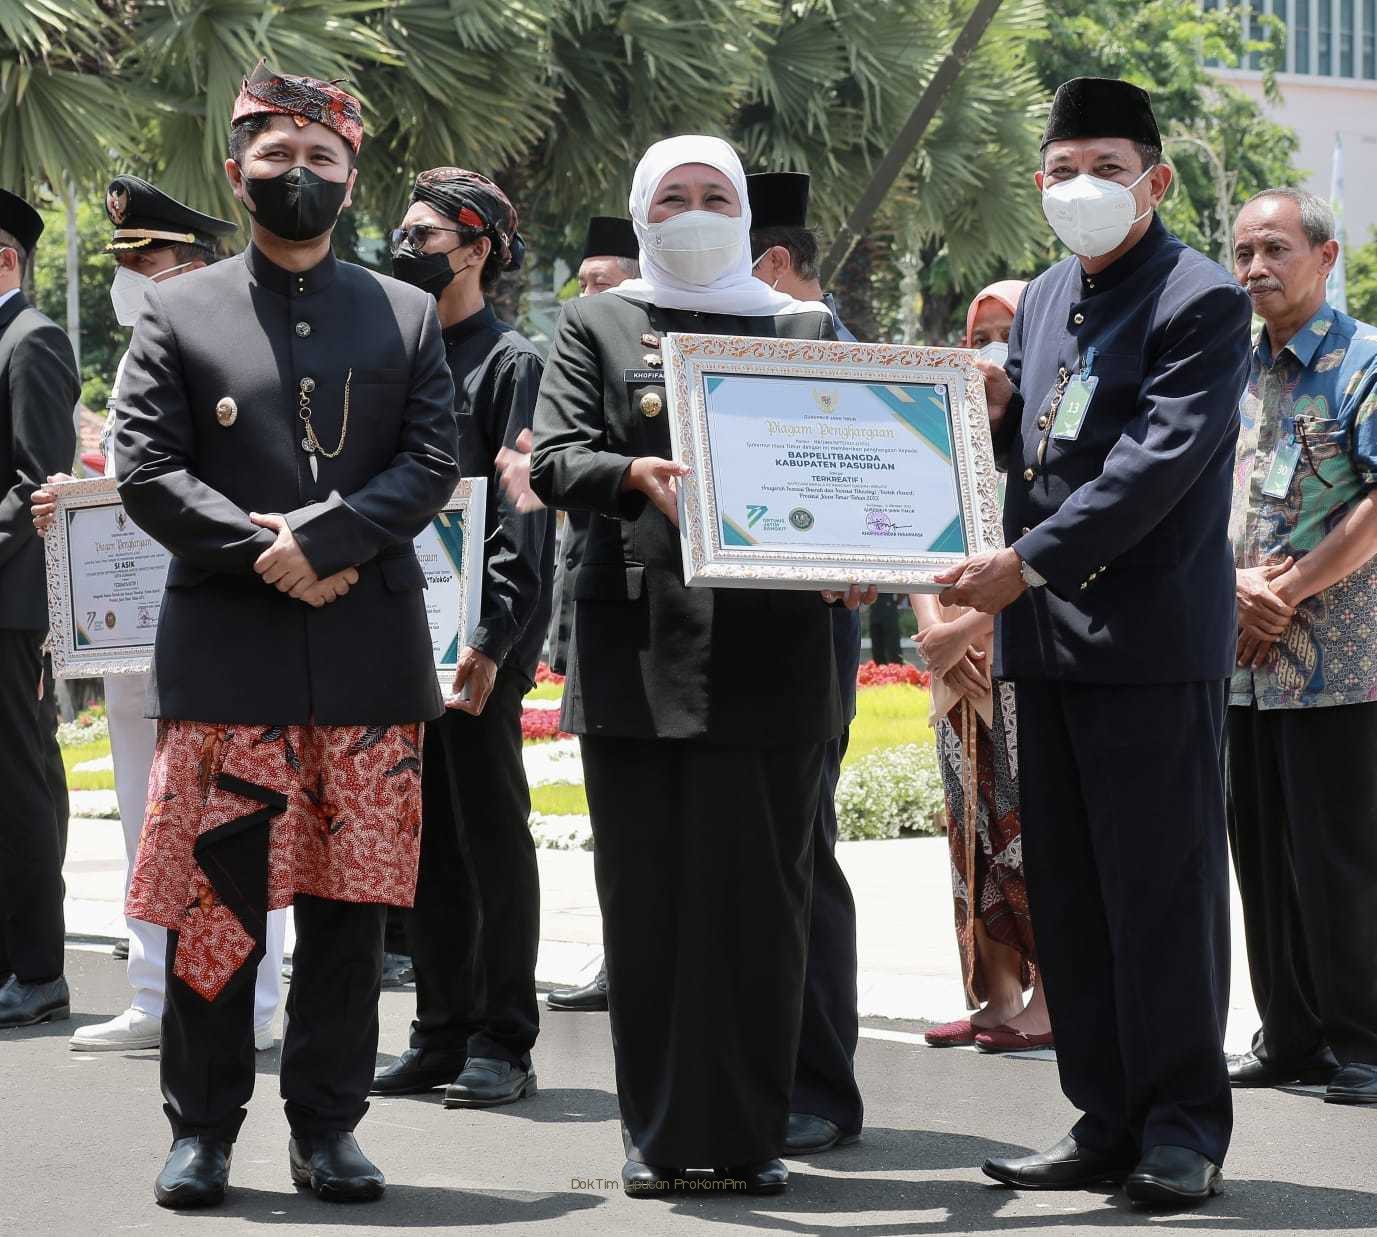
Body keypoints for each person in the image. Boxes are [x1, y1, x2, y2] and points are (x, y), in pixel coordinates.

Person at [112, 61, 458, 1208]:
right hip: (229, 661)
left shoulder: (405, 312)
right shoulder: (175, 308)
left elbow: (431, 461)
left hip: (366, 661)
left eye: (321, 159)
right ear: (236, 170)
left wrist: (335, 539)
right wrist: (272, 551)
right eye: (276, 156)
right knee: (216, 912)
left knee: (352, 918)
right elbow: (148, 471)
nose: (297, 174)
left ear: (350, 177)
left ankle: (329, 1129)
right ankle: (201, 1130)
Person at [937, 78, 1252, 1207]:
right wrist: (972, 405)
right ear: (1040, 184)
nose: (1083, 189)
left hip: (1149, 638)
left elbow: (1152, 468)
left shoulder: (1201, 300)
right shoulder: (1047, 294)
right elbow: (1034, 431)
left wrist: (1020, 565)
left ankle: (1182, 1127)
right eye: (1064, 170)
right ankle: (1104, 1116)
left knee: (1159, 893)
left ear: (1155, 181)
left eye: (1107, 169)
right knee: (1068, 890)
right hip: (1050, 642)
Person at [529, 135, 839, 1198]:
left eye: (716, 195)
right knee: (651, 907)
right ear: (641, 212)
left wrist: (874, 556)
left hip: (775, 653)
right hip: (640, 651)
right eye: (675, 197)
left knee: (762, 905)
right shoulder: (598, 321)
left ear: (749, 213)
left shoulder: (802, 325)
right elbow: (555, 455)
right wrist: (634, 471)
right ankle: (660, 1135)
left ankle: (752, 1136)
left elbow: (862, 462)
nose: (697, 211)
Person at [32, 174, 289, 1055]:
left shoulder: (245, 348)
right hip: (131, 626)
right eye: (128, 261)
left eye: (153, 258)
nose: (135, 276)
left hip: (225, 613)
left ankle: (254, 1001)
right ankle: (152, 990)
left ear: (201, 265)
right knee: (148, 811)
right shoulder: (140, 357)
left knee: (239, 813)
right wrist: (76, 501)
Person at [371, 168, 551, 1108]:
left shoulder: (510, 363)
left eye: (427, 235)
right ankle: (438, 1030)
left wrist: (491, 639)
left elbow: (522, 517)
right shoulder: (395, 355)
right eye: (401, 232)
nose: (406, 248)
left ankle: (501, 1038)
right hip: (400, 633)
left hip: (477, 641)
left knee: (488, 834)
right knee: (423, 842)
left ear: (476, 250)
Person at [1224, 187, 1377, 1106]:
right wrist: (1231, 591)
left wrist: (1284, 590)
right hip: (1240, 663)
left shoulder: (1363, 358)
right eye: (1242, 252)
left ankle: (1362, 1040)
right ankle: (1288, 1035)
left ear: (1324, 257)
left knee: (1343, 856)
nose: (1255, 269)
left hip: (1342, 663)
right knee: (1260, 851)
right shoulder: (1227, 371)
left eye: (1275, 249)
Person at [745, 168, 863, 1156]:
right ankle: (754, 1074)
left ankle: (820, 1085)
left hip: (807, 646)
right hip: (717, 649)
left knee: (799, 859)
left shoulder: (825, 344)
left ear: (775, 261)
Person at [911, 279, 1052, 1056]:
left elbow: (1048, 549)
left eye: (1008, 331)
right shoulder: (939, 429)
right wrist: (936, 630)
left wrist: (971, 624)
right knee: (968, 832)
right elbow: (908, 534)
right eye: (981, 331)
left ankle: (1050, 996)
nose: (991, 346)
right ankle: (996, 993)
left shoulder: (1045, 439)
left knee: (1032, 829)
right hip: (954, 665)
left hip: (1018, 650)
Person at [544, 215, 640, 1016]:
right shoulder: (574, 353)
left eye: (606, 281)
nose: (591, 296)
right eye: (582, 283)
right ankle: (619, 950)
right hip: (598, 588)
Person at [0, 188, 79, 1030]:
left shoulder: (32, 340)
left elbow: (37, 480)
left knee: (20, 783)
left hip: (12, 602)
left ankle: (38, 968)